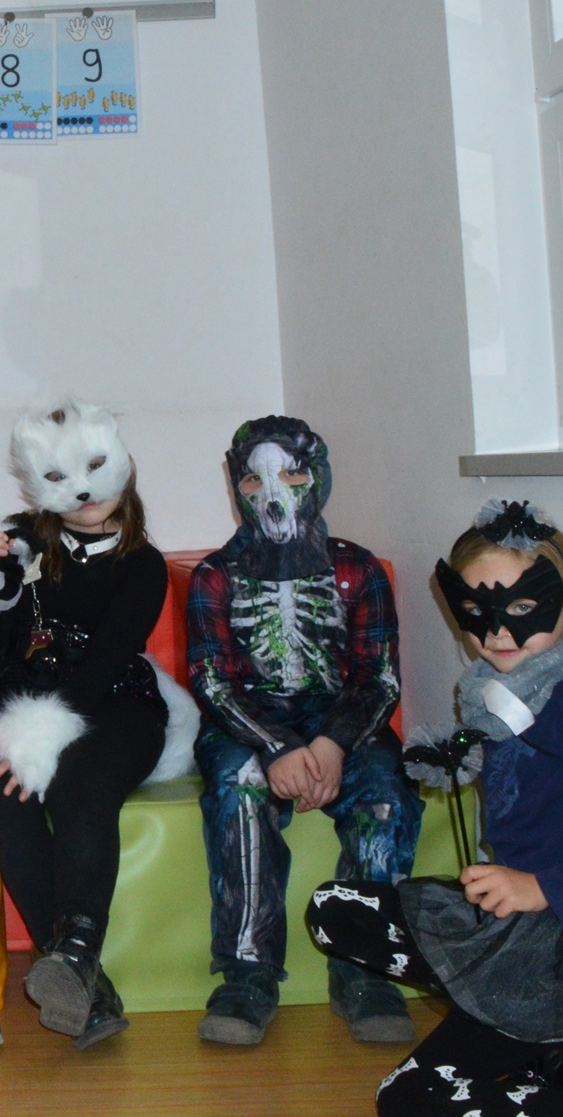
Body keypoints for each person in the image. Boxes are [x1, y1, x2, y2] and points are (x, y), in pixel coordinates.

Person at [305, 501, 563, 1117]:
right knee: (333, 909)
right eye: (477, 612)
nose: (497, 633)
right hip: (513, 923)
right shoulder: (504, 691)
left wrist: (541, 887)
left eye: (521, 610)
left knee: (410, 1100)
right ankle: (529, 1052)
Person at [188, 415, 423, 1045]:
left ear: (318, 476)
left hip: (340, 716)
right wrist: (275, 745)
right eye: (253, 479)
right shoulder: (215, 575)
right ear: (236, 486)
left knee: (384, 790)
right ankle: (247, 970)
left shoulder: (358, 569)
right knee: (240, 785)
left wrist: (332, 743)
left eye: (292, 474)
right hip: (247, 719)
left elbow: (379, 679)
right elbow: (212, 682)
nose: (273, 494)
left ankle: (366, 964)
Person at [0, 400, 187, 1050]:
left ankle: (76, 952)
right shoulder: (21, 540)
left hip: (114, 705)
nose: (83, 492)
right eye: (61, 477)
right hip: (19, 701)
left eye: (94, 468)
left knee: (81, 781)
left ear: (123, 466)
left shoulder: (143, 563)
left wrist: (42, 738)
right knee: (8, 797)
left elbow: (107, 663)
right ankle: (83, 984)